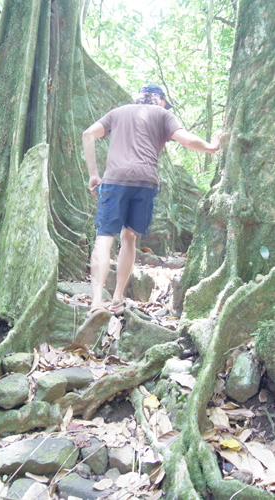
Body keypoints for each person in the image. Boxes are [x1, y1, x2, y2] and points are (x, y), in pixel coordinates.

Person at [75, 83, 220, 344]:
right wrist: (211, 147)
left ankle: (97, 302)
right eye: (166, 102)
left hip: (115, 180)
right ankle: (117, 298)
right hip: (145, 182)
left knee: (104, 237)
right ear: (159, 99)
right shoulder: (163, 115)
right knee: (129, 237)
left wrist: (94, 174)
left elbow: (88, 134)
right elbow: (186, 139)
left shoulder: (117, 112)